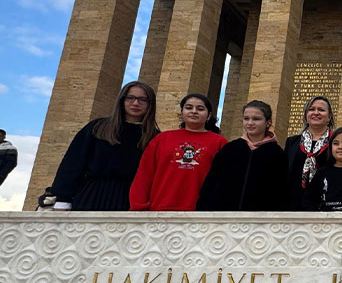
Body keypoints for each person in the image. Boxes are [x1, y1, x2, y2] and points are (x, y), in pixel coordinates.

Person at [50, 81, 160, 210]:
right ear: (122, 100)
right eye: (130, 98)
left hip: (131, 198)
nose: (136, 103)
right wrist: (63, 198)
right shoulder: (98, 127)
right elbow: (73, 163)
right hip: (93, 193)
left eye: (143, 99)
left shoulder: (155, 136)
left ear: (150, 104)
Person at [129, 93, 228, 211]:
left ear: (208, 116)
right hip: (159, 209)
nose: (194, 111)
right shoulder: (162, 139)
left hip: (201, 213)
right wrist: (138, 207)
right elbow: (144, 174)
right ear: (182, 112)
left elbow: (225, 181)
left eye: (200, 109)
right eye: (189, 107)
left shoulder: (220, 143)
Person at [196, 100, 288, 211]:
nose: (250, 123)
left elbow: (281, 189)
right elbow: (211, 182)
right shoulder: (229, 149)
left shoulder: (277, 153)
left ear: (268, 122)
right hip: (223, 215)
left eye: (256, 119)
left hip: (260, 219)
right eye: (246, 118)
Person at [284, 96, 335, 210]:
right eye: (311, 109)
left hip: (325, 204)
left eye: (321, 110)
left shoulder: (336, 142)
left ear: (329, 117)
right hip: (293, 205)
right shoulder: (292, 142)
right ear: (306, 116)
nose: (316, 113)